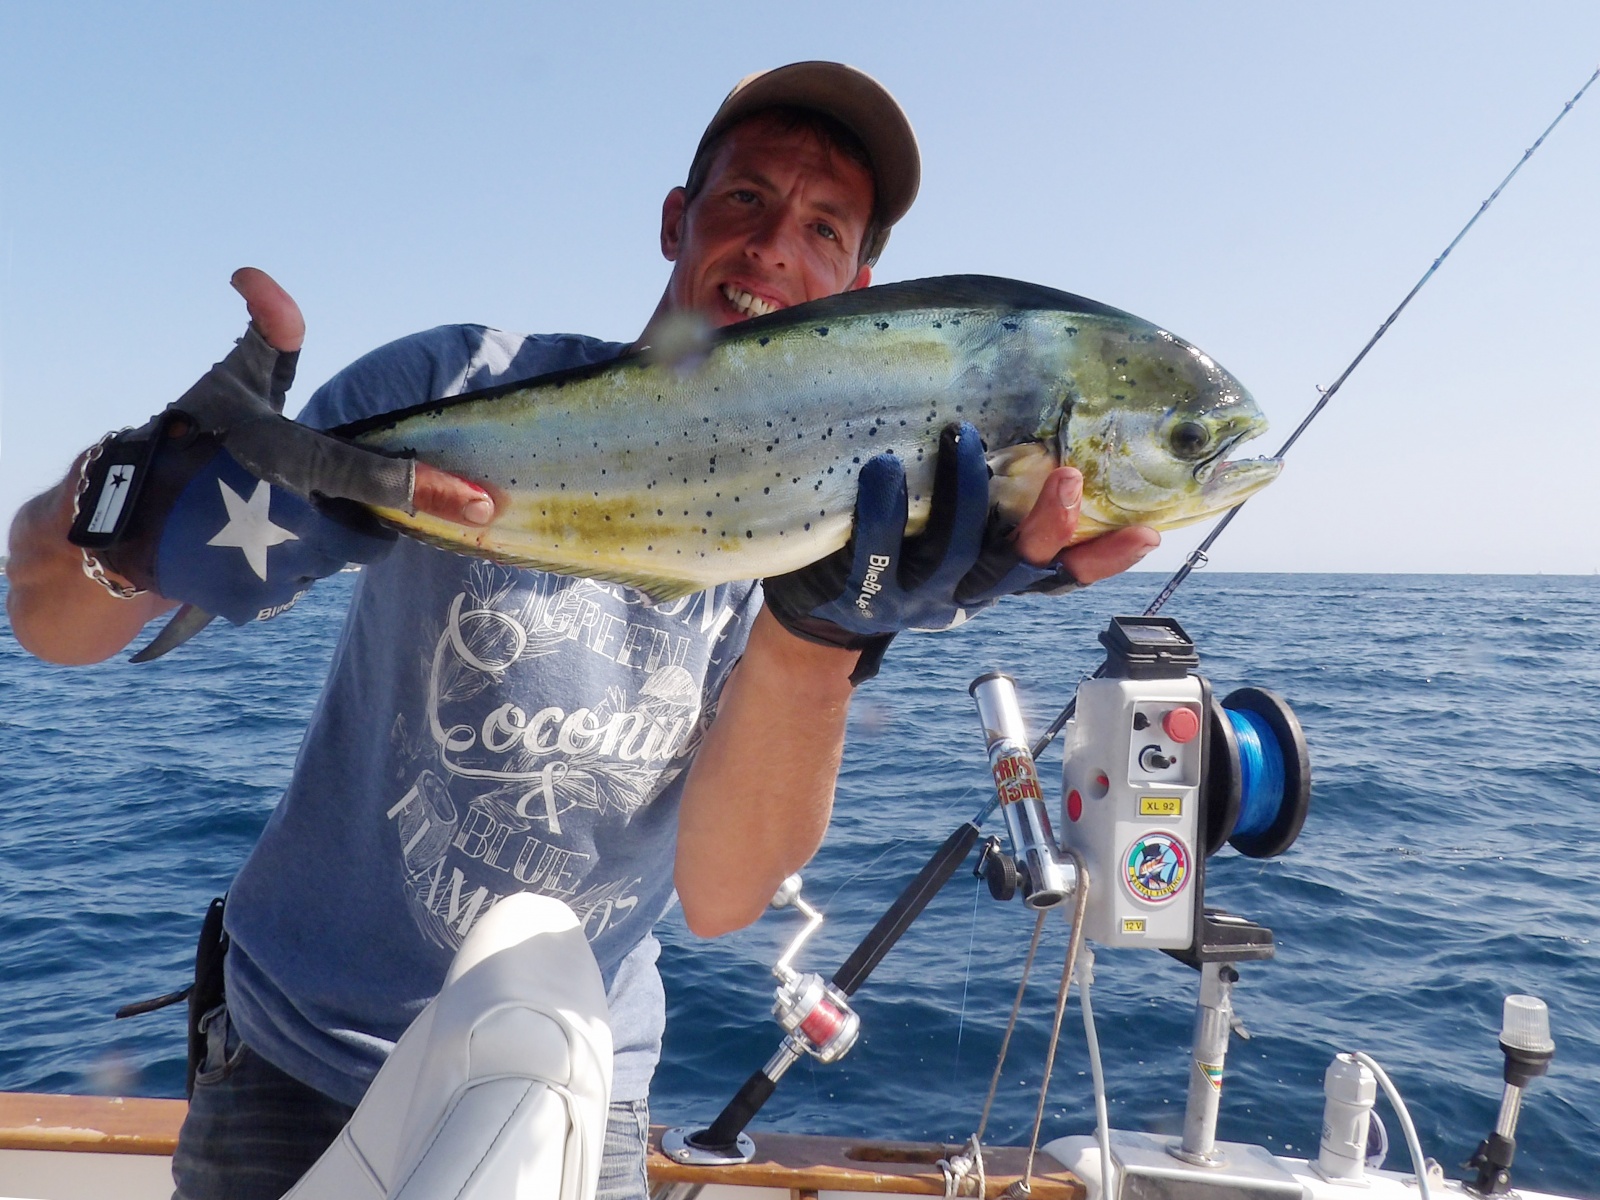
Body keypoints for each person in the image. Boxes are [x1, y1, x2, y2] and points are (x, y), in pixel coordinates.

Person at [5, 62, 1158, 1200]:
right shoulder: (454, 386)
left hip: (573, 1080)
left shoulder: (847, 522)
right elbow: (51, 624)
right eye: (744, 200)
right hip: (293, 1061)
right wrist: (125, 498)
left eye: (822, 227)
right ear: (677, 221)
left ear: (861, 281)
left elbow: (721, 895)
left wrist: (822, 634)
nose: (770, 248)